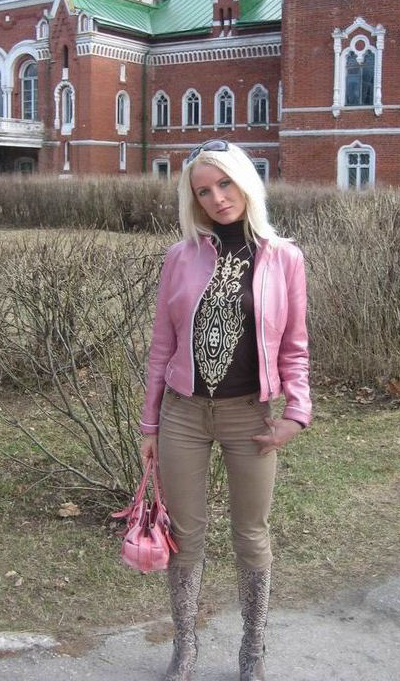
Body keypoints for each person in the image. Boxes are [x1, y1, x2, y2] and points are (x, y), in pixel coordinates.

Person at [139, 140, 312, 681]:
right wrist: (149, 424)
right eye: (203, 191)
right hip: (183, 415)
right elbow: (162, 346)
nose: (217, 198)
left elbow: (295, 346)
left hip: (250, 416)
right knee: (186, 536)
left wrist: (297, 411)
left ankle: (252, 650)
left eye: (225, 184)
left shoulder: (283, 257)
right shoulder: (180, 256)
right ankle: (185, 648)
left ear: (245, 182)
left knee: (251, 534)